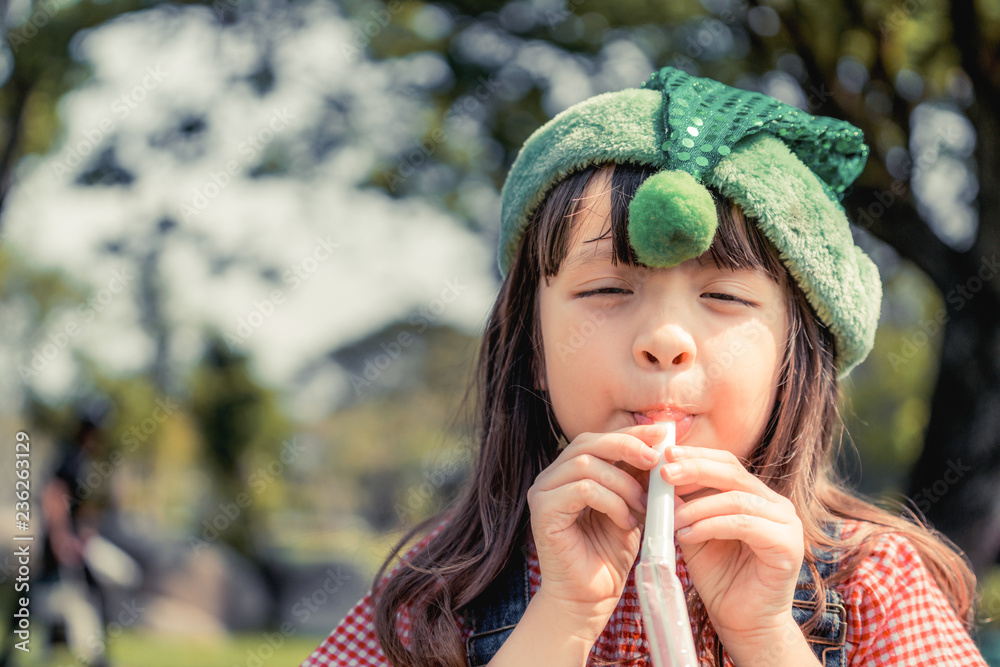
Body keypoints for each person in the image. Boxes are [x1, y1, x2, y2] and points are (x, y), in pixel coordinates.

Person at [302, 66, 989, 666]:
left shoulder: (874, 582)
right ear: (532, 350)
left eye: (723, 295)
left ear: (795, 360)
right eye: (606, 290)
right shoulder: (446, 586)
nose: (664, 339)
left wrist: (767, 635)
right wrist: (562, 616)